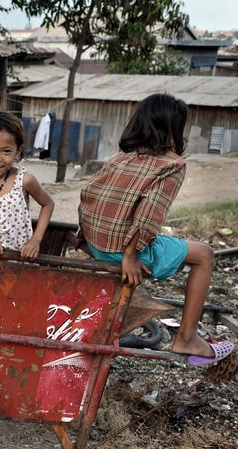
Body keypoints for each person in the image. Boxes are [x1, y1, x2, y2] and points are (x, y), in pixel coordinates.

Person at [79, 93, 234, 366]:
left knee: (173, 244)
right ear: (174, 128)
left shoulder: (120, 158)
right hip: (121, 252)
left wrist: (86, 240)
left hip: (97, 244)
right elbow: (148, 215)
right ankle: (187, 337)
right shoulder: (172, 164)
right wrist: (130, 256)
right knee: (205, 254)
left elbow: (88, 193)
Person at [0, 112, 55, 259]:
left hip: (18, 259)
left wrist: (35, 240)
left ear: (18, 151)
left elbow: (48, 204)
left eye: (6, 151)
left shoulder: (24, 180)